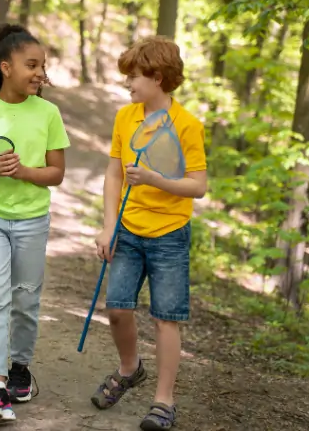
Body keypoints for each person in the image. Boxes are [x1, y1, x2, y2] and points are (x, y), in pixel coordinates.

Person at [91, 36, 207, 431]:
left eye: (134, 77)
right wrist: (108, 226)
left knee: (165, 318)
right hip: (128, 230)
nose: (128, 85)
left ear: (157, 78)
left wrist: (157, 179)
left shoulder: (187, 126)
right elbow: (113, 173)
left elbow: (198, 185)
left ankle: (164, 401)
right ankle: (130, 369)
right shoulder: (126, 117)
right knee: (117, 309)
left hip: (170, 235)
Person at [0, 23, 71, 423]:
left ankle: (20, 367)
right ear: (6, 67)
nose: (40, 73)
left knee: (25, 298)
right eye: (32, 65)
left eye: (42, 66)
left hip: (31, 220)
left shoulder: (49, 113)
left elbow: (56, 174)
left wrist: (23, 172)